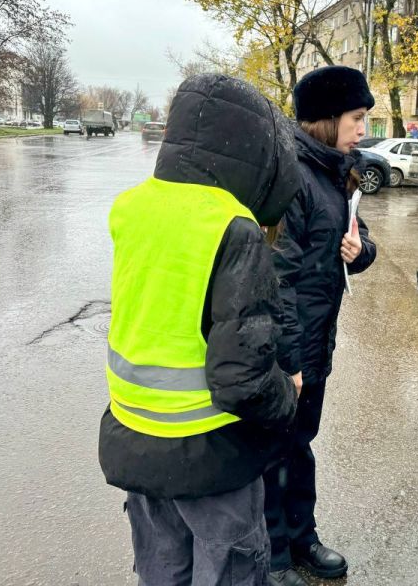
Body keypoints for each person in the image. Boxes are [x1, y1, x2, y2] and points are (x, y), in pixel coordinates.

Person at [98, 74, 302, 586]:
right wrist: (288, 394)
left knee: (161, 566)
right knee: (229, 569)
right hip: (208, 451)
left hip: (134, 437)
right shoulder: (232, 227)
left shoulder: (132, 207)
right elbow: (241, 378)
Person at [265, 66, 378, 586]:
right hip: (291, 350)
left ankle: (302, 536)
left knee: (300, 443)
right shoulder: (292, 178)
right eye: (356, 118)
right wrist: (288, 363)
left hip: (316, 343)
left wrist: (361, 252)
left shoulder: (340, 172)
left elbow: (360, 239)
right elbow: (276, 278)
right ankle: (272, 556)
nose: (363, 130)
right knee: (275, 452)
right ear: (326, 120)